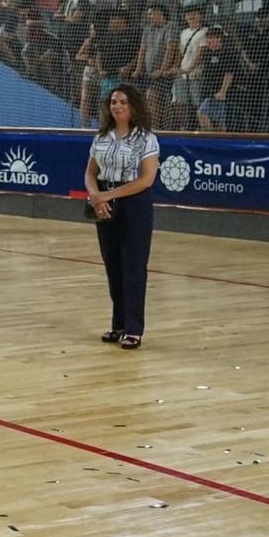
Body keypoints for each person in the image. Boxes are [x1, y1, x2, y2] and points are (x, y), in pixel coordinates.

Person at [84, 84, 160, 350]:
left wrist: (109, 195)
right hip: (104, 204)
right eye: (114, 102)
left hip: (134, 205)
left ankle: (134, 328)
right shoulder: (102, 137)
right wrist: (97, 198)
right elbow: (90, 173)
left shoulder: (145, 138)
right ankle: (118, 324)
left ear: (134, 106)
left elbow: (146, 179)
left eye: (123, 102)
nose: (117, 106)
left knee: (133, 266)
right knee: (112, 265)